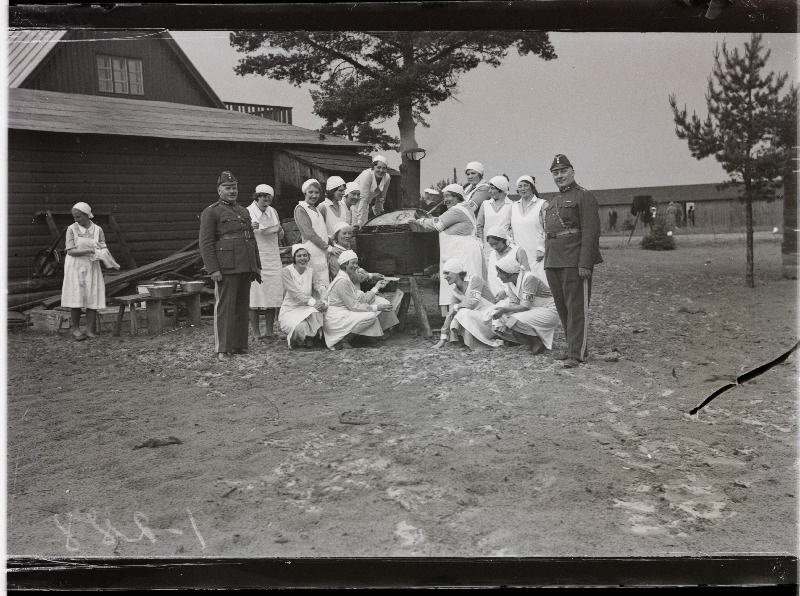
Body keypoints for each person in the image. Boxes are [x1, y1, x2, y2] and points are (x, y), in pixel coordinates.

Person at [543, 154, 602, 368]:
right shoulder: (554, 200)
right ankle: (571, 348)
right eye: (555, 173)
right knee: (563, 308)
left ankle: (577, 352)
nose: (559, 176)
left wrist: (585, 263)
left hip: (573, 259)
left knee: (576, 307)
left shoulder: (583, 196)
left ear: (572, 172)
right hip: (554, 259)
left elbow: (591, 232)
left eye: (563, 171)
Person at [199, 171, 262, 361]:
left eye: (234, 187)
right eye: (227, 188)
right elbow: (206, 242)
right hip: (226, 267)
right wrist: (213, 269)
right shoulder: (211, 211)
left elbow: (250, 239)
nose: (232, 191)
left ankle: (239, 345)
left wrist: (255, 265)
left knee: (242, 306)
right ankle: (223, 349)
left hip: (245, 264)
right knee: (225, 307)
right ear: (219, 190)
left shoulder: (243, 211)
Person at [410, 183, 484, 316]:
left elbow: (437, 225)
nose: (445, 200)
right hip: (461, 251)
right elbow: (441, 220)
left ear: (458, 197)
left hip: (463, 253)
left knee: (464, 283)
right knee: (459, 284)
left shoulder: (457, 210)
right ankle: (457, 317)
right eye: (444, 197)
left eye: (448, 196)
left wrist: (421, 221)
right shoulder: (460, 209)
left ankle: (465, 316)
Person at [60, 201, 118, 340]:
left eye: (79, 217)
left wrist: (103, 253)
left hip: (92, 266)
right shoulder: (71, 229)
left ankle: (90, 330)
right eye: (74, 217)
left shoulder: (98, 230)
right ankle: (76, 330)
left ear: (87, 215)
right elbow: (71, 251)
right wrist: (91, 250)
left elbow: (103, 245)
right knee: (77, 297)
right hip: (75, 266)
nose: (76, 219)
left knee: (92, 296)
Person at [324, 250, 396, 349]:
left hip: (345, 311)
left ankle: (368, 336)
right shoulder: (342, 281)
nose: (355, 266)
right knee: (370, 316)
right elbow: (354, 306)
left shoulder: (346, 277)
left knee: (375, 309)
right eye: (352, 263)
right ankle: (343, 340)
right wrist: (376, 307)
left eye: (356, 263)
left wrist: (376, 287)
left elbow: (359, 298)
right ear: (344, 265)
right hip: (337, 317)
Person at [490, 252, 560, 355]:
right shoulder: (510, 283)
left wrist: (506, 313)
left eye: (499, 273)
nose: (497, 276)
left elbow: (525, 306)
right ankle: (524, 340)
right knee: (502, 316)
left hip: (549, 310)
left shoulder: (529, 278)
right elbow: (514, 304)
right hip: (534, 310)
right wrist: (504, 314)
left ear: (507, 272)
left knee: (513, 318)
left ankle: (537, 341)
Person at [434, 258, 501, 350]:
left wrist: (456, 307)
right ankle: (465, 342)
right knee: (459, 313)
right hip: (477, 319)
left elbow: (472, 304)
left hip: (492, 318)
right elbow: (450, 314)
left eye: (447, 273)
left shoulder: (475, 280)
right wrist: (442, 338)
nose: (445, 277)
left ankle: (480, 343)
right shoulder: (456, 292)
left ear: (456, 272)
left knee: (463, 312)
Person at [246, 184, 284, 340]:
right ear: (257, 196)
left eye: (269, 200)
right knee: (255, 295)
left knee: (272, 293)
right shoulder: (247, 212)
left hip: (273, 257)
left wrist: (280, 230)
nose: (266, 203)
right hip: (256, 256)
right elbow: (244, 235)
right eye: (264, 200)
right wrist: (249, 227)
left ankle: (269, 330)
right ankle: (256, 333)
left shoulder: (273, 212)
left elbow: (280, 236)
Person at [278, 244, 328, 348]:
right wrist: (314, 303)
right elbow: (295, 293)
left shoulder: (311, 271)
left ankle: (311, 337)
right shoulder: (286, 271)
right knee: (300, 327)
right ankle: (304, 338)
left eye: (305, 255)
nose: (302, 258)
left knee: (320, 315)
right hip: (290, 310)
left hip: (308, 309)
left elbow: (320, 285)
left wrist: (323, 300)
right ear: (294, 258)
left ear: (309, 257)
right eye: (299, 256)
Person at [294, 178, 340, 289]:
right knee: (315, 282)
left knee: (323, 281)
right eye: (311, 192)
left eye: (317, 192)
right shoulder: (301, 209)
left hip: (321, 250)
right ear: (305, 192)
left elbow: (320, 230)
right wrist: (328, 247)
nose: (314, 195)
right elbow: (309, 233)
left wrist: (330, 239)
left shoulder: (316, 209)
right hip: (311, 250)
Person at [510, 175, 548, 284]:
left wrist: (542, 248)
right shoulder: (513, 206)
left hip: (538, 255)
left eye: (526, 185)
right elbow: (510, 229)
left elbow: (548, 228)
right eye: (520, 186)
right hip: (521, 255)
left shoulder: (543, 204)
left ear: (532, 187)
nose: (523, 189)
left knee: (542, 284)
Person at [485, 225, 531, 298]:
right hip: (497, 297)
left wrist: (506, 291)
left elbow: (527, 276)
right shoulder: (492, 255)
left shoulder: (517, 251)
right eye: (491, 245)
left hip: (516, 296)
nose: (494, 247)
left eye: (496, 244)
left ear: (503, 240)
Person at [476, 175, 513, 262]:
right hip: (487, 248)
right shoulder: (485, 204)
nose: (489, 191)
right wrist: (482, 243)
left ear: (501, 189)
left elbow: (513, 227)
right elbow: (479, 225)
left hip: (505, 248)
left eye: (492, 188)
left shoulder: (512, 205)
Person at [354, 155, 391, 227]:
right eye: (378, 167)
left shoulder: (387, 177)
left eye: (384, 168)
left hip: (365, 206)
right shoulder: (367, 174)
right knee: (353, 228)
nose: (381, 170)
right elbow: (363, 198)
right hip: (353, 205)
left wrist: (379, 215)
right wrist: (359, 221)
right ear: (373, 167)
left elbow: (381, 198)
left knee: (362, 228)